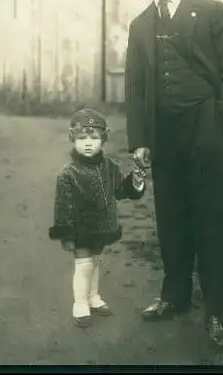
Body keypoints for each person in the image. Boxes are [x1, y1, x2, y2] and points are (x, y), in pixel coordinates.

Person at [123, 0, 223, 347]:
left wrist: (219, 118)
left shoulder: (211, 12)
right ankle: (174, 297)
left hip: (205, 128)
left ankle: (217, 309)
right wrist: (140, 139)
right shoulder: (141, 24)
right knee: (171, 218)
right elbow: (136, 85)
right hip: (164, 134)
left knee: (209, 218)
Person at [48, 108, 146, 328]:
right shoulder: (68, 173)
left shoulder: (109, 167)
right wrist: (66, 234)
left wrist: (136, 180)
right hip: (80, 229)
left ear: (104, 139)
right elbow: (62, 207)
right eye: (82, 138)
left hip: (102, 227)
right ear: (73, 139)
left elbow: (120, 191)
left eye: (94, 137)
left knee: (94, 262)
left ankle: (93, 296)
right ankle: (80, 303)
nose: (88, 143)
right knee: (83, 265)